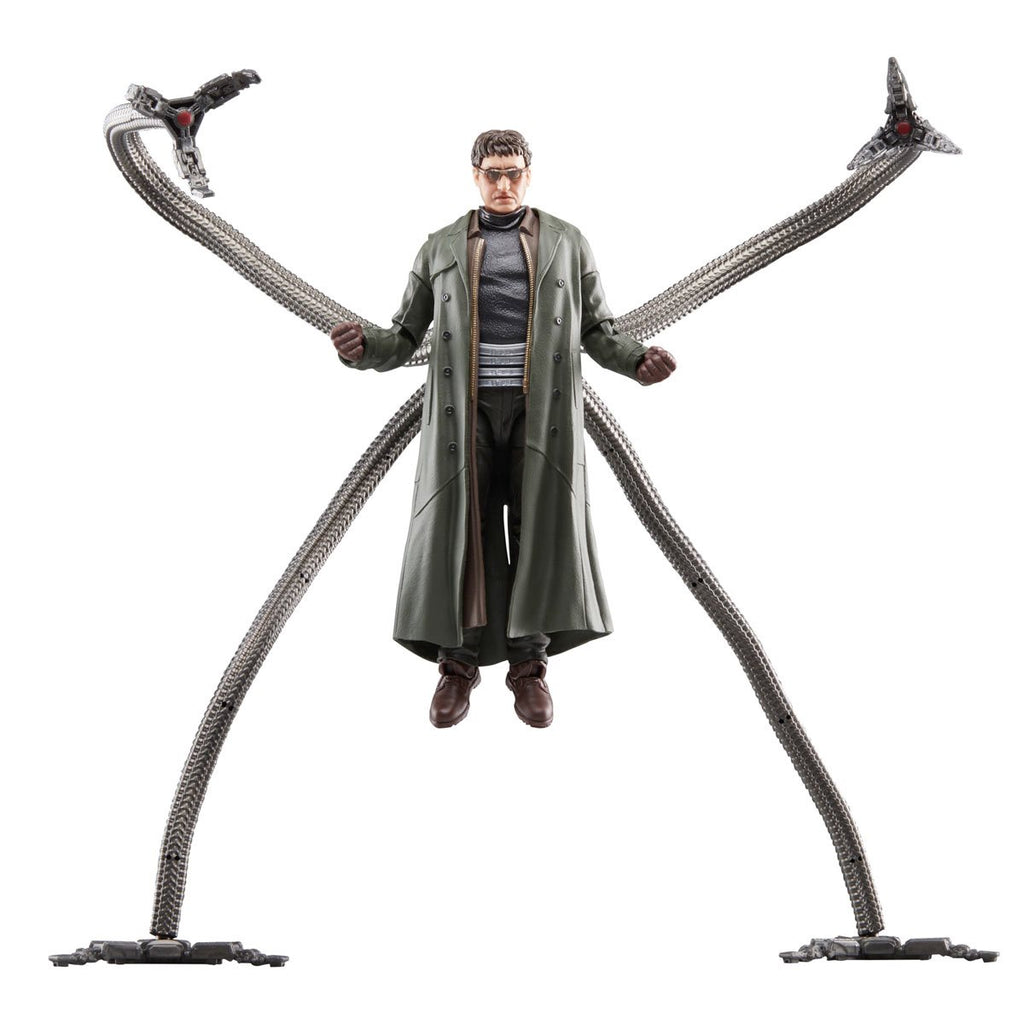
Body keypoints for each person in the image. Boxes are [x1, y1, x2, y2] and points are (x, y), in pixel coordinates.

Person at [331, 130, 675, 729]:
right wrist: (362, 349)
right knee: (466, 527)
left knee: (542, 527)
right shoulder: (440, 246)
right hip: (462, 411)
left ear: (528, 174)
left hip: (543, 409)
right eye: (492, 172)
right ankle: (458, 663)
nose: (503, 184)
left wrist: (638, 361)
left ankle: (528, 666)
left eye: (513, 172)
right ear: (475, 175)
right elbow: (404, 334)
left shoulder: (568, 241)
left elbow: (598, 330)